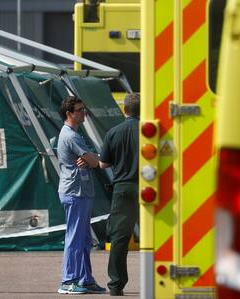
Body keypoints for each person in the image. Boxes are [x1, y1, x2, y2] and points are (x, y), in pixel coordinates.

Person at [56, 95, 106, 295]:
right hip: (74, 193)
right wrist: (93, 159)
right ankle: (68, 281)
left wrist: (91, 158)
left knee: (84, 239)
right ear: (69, 114)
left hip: (81, 192)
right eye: (79, 110)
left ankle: (85, 280)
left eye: (84, 109)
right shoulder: (71, 136)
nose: (84, 113)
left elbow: (91, 159)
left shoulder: (75, 134)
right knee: (75, 238)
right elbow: (94, 161)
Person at [99, 93, 140, 296]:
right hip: (149, 188)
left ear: (125, 110)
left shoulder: (113, 132)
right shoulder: (150, 132)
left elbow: (103, 163)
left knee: (120, 239)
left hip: (123, 189)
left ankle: (116, 285)